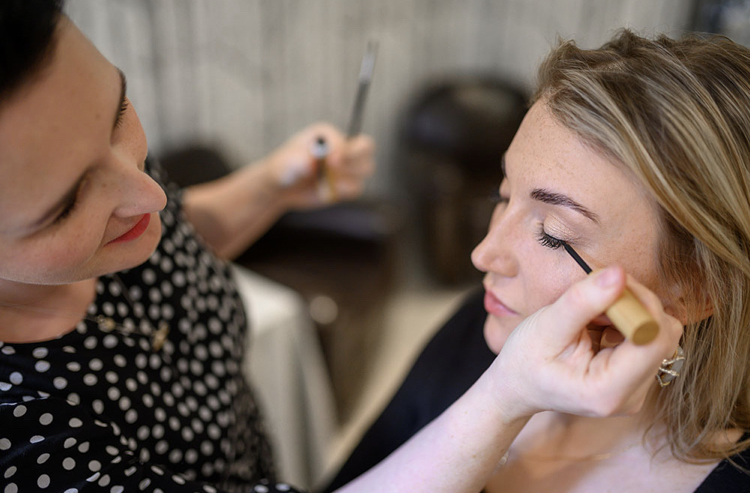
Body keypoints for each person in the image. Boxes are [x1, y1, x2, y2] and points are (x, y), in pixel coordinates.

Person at [0, 2, 687, 492]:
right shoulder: (23, 444)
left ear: (697, 287)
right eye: (67, 205)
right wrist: (504, 397)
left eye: (120, 113)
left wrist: (272, 186)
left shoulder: (114, 182)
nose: (148, 193)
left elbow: (168, 233)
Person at [322, 29, 750, 493]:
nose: (483, 254)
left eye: (552, 234)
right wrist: (501, 398)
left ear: (696, 291)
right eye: (502, 195)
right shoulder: (480, 329)